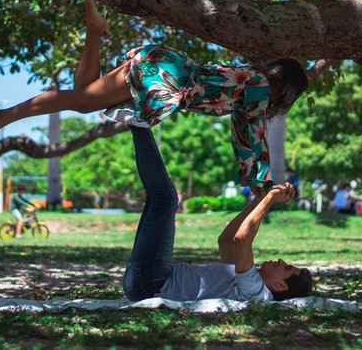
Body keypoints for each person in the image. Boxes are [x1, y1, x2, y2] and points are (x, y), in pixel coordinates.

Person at [0, 0, 309, 189]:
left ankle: (95, 30)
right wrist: (261, 183)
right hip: (165, 79)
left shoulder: (253, 80)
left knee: (85, 98)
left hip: (164, 65)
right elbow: (250, 137)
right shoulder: (260, 90)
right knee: (81, 99)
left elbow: (243, 131)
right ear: (288, 90)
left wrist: (255, 179)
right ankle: (3, 115)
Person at [123, 125, 312, 302]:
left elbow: (242, 239)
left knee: (165, 199)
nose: (280, 261)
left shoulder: (256, 291)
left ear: (280, 285)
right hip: (149, 280)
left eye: (286, 267)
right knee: (161, 199)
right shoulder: (248, 279)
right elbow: (227, 240)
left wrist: (269, 199)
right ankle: (138, 122)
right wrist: (259, 200)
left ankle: (138, 120)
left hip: (153, 284)